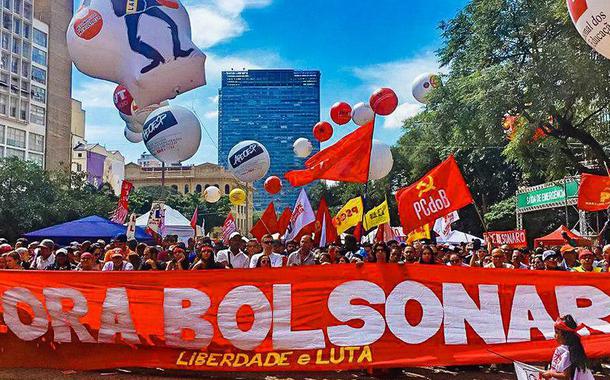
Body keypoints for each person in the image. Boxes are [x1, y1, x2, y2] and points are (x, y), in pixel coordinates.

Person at [540, 315, 594, 379]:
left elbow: (566, 376)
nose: (554, 335)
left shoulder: (567, 353)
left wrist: (551, 374)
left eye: (557, 332)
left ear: (565, 336)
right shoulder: (570, 349)